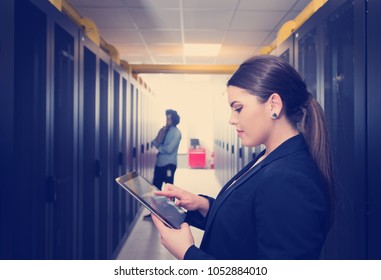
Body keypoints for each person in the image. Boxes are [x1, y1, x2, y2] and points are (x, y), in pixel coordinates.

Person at [151, 55, 334, 260]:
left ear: (273, 105)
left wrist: (188, 255)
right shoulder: (269, 156)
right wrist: (202, 204)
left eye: (238, 108)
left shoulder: (288, 177)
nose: (231, 119)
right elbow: (247, 225)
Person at [143, 109, 182, 219]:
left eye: (168, 119)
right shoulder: (165, 130)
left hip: (169, 165)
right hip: (159, 163)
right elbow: (155, 142)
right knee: (155, 189)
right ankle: (154, 213)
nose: (166, 121)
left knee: (169, 190)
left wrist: (159, 147)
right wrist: (159, 135)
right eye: (166, 118)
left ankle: (169, 213)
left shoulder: (176, 133)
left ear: (173, 120)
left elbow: (169, 149)